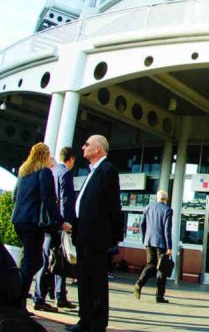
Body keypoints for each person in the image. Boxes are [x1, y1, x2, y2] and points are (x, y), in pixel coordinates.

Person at [66, 135, 123, 332]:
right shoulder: (92, 171)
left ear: (98, 149)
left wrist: (114, 236)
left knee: (96, 282)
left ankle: (97, 325)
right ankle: (85, 320)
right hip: (83, 235)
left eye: (87, 144)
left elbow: (113, 205)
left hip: (96, 238)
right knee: (84, 280)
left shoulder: (107, 170)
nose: (83, 147)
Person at [11, 143, 69, 315]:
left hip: (19, 220)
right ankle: (17, 303)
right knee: (34, 261)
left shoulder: (24, 172)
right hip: (33, 222)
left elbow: (15, 196)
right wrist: (60, 222)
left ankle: (17, 300)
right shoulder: (44, 172)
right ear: (45, 155)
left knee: (28, 260)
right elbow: (48, 199)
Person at [33, 147, 77, 311]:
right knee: (56, 260)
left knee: (55, 259)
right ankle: (44, 297)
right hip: (58, 224)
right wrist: (65, 224)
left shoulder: (53, 171)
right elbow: (65, 201)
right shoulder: (65, 173)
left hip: (49, 222)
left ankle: (59, 295)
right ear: (71, 159)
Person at [133, 190, 173, 303]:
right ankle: (159, 296)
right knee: (162, 269)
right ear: (166, 199)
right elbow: (167, 230)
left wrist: (145, 241)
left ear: (157, 198)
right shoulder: (168, 210)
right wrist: (169, 247)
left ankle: (139, 284)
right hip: (161, 243)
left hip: (149, 241)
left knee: (150, 265)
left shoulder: (148, 207)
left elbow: (142, 225)